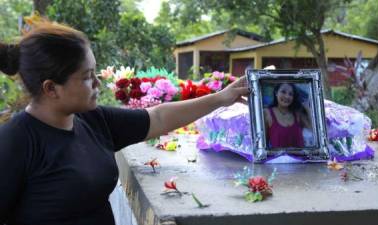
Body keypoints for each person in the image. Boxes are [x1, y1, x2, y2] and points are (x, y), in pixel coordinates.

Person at [0, 21, 248, 225]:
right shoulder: (16, 141)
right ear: (51, 88)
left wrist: (222, 98)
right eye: (87, 77)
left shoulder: (91, 119)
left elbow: (158, 117)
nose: (98, 84)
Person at [263, 82, 312, 148]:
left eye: (290, 94)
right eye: (283, 92)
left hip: (300, 157)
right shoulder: (267, 113)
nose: (287, 96)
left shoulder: (297, 113)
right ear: (276, 93)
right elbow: (263, 143)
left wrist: (308, 109)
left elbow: (312, 129)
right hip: (278, 158)